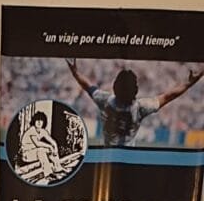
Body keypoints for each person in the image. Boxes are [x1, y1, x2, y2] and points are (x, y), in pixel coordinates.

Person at [66, 59, 203, 147]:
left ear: (115, 86)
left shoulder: (105, 100)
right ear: (135, 90)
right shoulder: (140, 107)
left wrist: (75, 72)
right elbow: (169, 96)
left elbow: (88, 86)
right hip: (129, 157)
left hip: (107, 155)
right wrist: (189, 83)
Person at [19, 111, 64, 181]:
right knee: (41, 150)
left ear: (44, 122)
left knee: (50, 149)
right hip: (26, 154)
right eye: (37, 120)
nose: (39, 122)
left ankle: (58, 168)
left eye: (41, 120)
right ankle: (48, 174)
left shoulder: (43, 131)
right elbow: (37, 143)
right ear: (34, 121)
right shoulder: (32, 130)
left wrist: (55, 148)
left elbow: (53, 141)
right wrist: (50, 146)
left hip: (34, 152)